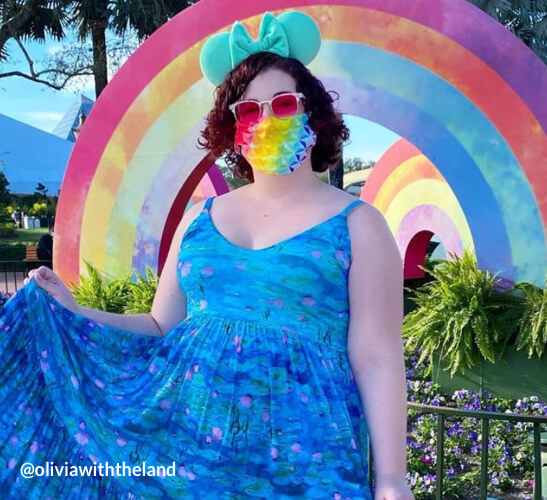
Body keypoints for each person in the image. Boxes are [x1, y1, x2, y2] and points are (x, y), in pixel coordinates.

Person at [0, 10, 413, 500]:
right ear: (233, 127)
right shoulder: (200, 220)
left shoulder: (360, 226)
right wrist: (74, 310)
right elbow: (159, 326)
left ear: (313, 115)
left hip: (307, 466)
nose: (267, 120)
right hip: (187, 464)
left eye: (283, 104)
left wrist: (392, 479)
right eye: (249, 111)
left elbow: (377, 359)